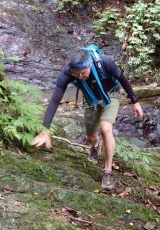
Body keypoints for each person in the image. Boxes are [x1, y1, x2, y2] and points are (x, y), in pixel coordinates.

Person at [31, 47, 144, 191]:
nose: (79, 77)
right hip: (90, 98)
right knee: (91, 135)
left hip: (111, 94)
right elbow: (54, 101)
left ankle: (107, 172)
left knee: (105, 128)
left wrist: (135, 101)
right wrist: (45, 129)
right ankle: (93, 147)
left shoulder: (105, 62)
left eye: (83, 73)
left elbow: (122, 78)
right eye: (76, 74)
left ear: (89, 65)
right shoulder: (66, 73)